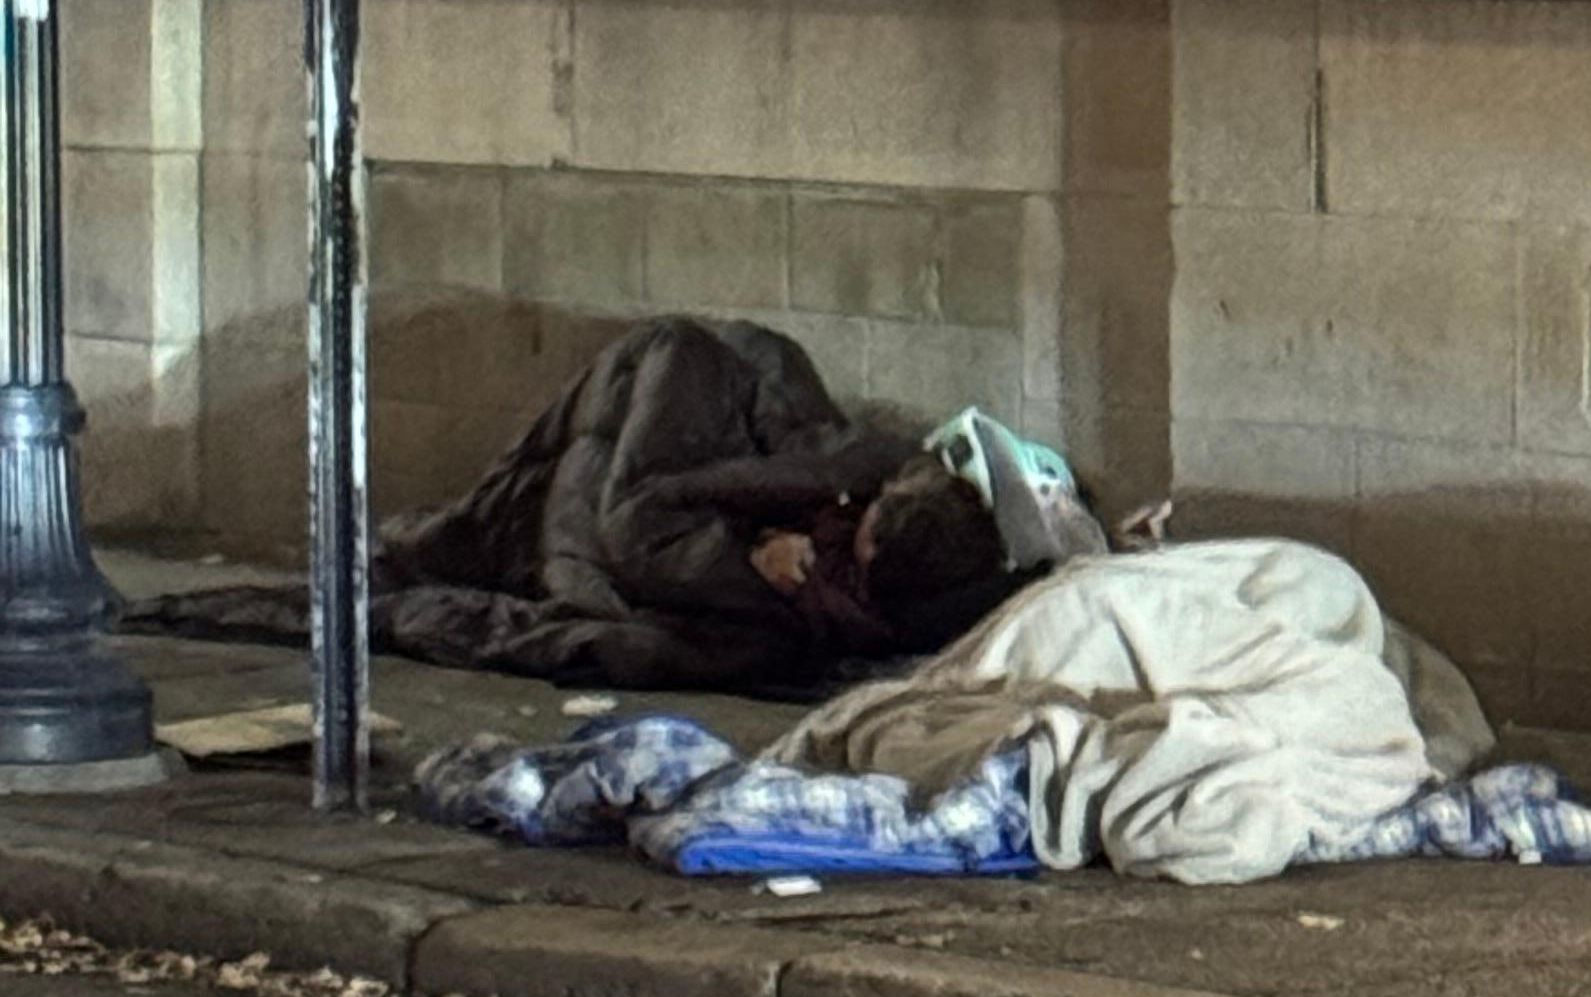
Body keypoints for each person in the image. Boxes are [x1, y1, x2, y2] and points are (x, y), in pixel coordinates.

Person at [137, 319, 1028, 699]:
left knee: (677, 356)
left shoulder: (766, 614)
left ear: (868, 563)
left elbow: (646, 514)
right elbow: (854, 454)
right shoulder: (860, 544)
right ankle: (415, 549)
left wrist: (758, 513)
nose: (856, 510)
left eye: (864, 524)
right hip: (597, 506)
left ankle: (409, 552)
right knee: (747, 355)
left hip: (588, 535)